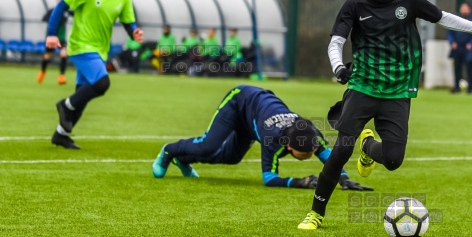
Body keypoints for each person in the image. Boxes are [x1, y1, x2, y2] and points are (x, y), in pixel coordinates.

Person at [297, 0, 472, 230]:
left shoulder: (409, 0)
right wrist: (338, 67)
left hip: (398, 91)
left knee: (394, 160)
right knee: (340, 151)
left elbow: (444, 18)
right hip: (363, 86)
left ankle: (368, 145)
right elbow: (336, 42)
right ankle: (316, 213)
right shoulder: (355, 4)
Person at [152, 85, 373, 191]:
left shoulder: (310, 133)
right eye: (303, 154)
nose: (308, 156)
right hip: (239, 102)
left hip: (253, 118)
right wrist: (298, 182)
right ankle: (170, 150)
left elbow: (328, 155)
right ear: (287, 146)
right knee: (209, 145)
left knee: (231, 158)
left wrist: (343, 179)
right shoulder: (273, 140)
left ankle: (184, 160)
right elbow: (268, 178)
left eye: (310, 152)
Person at [46, 0, 143, 149]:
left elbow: (128, 21)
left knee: (82, 94)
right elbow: (60, 7)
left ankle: (60, 134)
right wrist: (52, 34)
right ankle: (65, 105)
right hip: (81, 46)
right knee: (101, 83)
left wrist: (134, 32)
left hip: (100, 50)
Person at [447, 2, 472, 94]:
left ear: (469, 9)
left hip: (468, 48)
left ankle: (470, 88)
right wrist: (452, 42)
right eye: (463, 8)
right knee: (457, 68)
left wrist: (471, 44)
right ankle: (456, 87)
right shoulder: (455, 19)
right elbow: (450, 32)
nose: (464, 10)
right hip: (457, 47)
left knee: (469, 68)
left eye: (466, 8)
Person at [38, 0, 71, 85]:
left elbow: (77, 15)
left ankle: (61, 76)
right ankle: (42, 72)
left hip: (61, 37)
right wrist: (54, 19)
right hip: (52, 37)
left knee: (64, 54)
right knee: (48, 55)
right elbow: (44, 18)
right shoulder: (53, 10)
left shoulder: (67, 12)